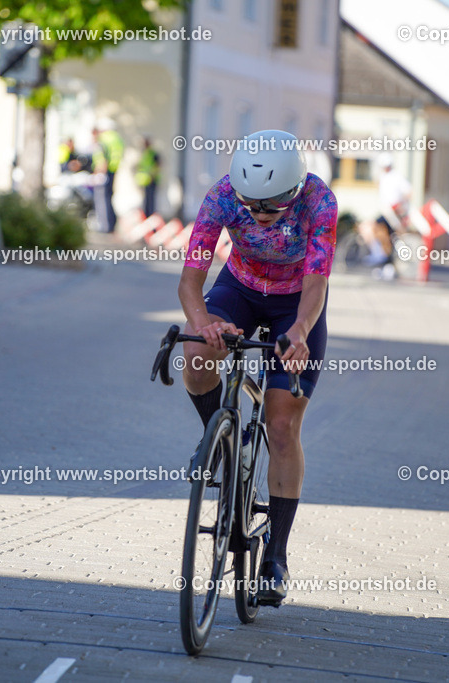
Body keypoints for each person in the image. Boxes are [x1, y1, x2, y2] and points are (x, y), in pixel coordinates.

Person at [179, 129, 337, 606]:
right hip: (241, 287)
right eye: (251, 205)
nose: (259, 214)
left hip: (296, 301)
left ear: (294, 189)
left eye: (270, 207)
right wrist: (203, 322)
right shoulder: (222, 196)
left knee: (283, 424)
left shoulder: (319, 202)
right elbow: (190, 281)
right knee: (195, 353)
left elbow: (316, 284)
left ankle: (276, 557)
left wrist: (302, 331)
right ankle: (217, 441)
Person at [364, 153, 410, 279]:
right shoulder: (383, 177)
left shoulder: (396, 177)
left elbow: (408, 192)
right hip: (386, 211)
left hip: (393, 213)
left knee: (387, 236)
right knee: (383, 235)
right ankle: (383, 261)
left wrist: (400, 207)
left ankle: (384, 261)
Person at [92, 121, 124, 232]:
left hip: (104, 172)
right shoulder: (117, 138)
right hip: (113, 171)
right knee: (108, 197)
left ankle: (104, 226)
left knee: (102, 198)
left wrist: (100, 173)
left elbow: (102, 157)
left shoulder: (104, 139)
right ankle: (111, 224)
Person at [135, 137, 161, 217]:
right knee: (146, 201)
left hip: (151, 180)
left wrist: (152, 176)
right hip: (145, 181)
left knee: (151, 202)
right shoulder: (144, 153)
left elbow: (157, 166)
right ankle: (146, 216)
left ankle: (151, 217)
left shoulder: (152, 154)